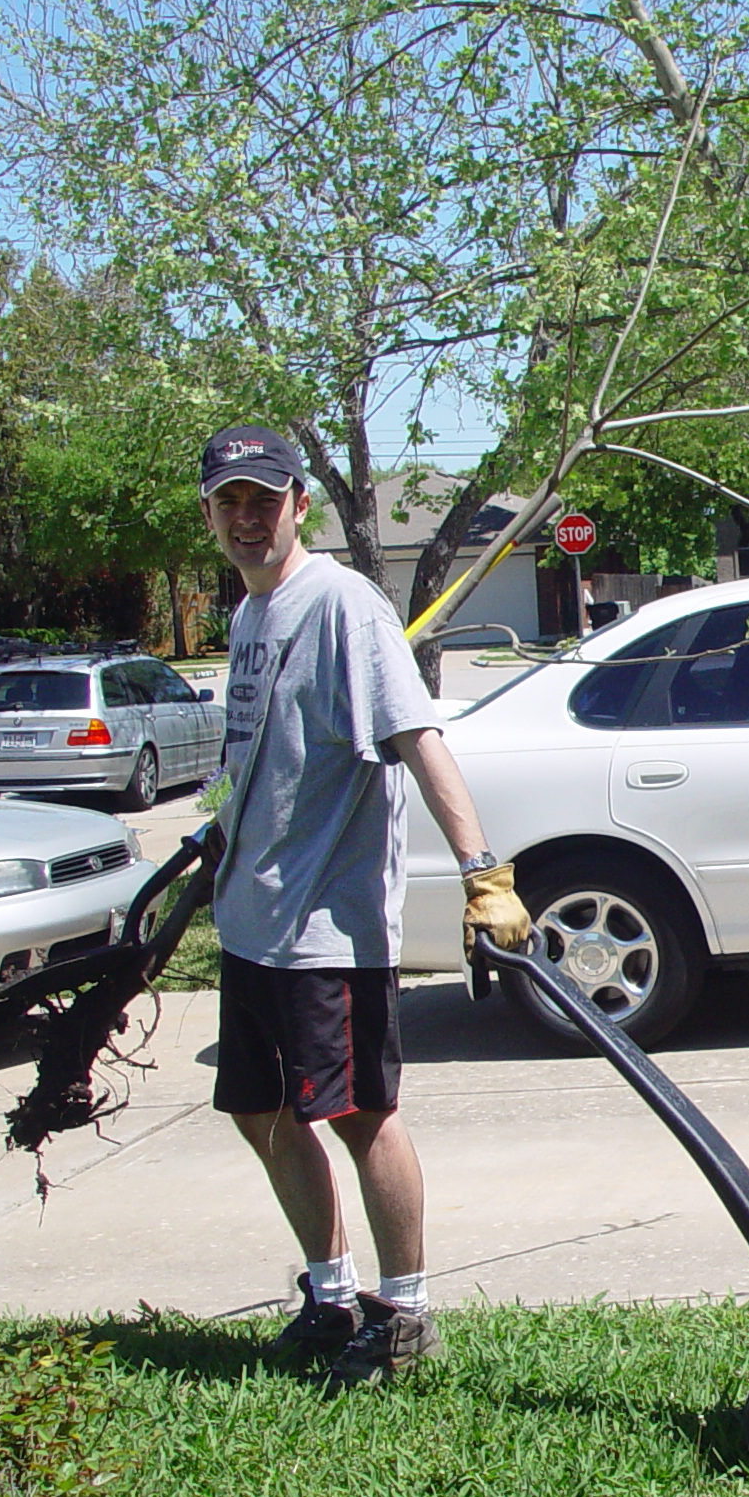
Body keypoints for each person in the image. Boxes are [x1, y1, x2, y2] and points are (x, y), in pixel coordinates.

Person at [198, 424, 532, 1389]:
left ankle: (408, 1310)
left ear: (300, 504)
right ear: (211, 515)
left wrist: (483, 871)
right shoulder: (250, 618)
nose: (250, 518)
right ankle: (331, 1290)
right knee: (261, 1110)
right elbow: (255, 759)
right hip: (253, 920)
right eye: (232, 503)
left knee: (362, 1116)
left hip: (327, 930)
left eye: (267, 499)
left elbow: (418, 737)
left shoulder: (344, 606)